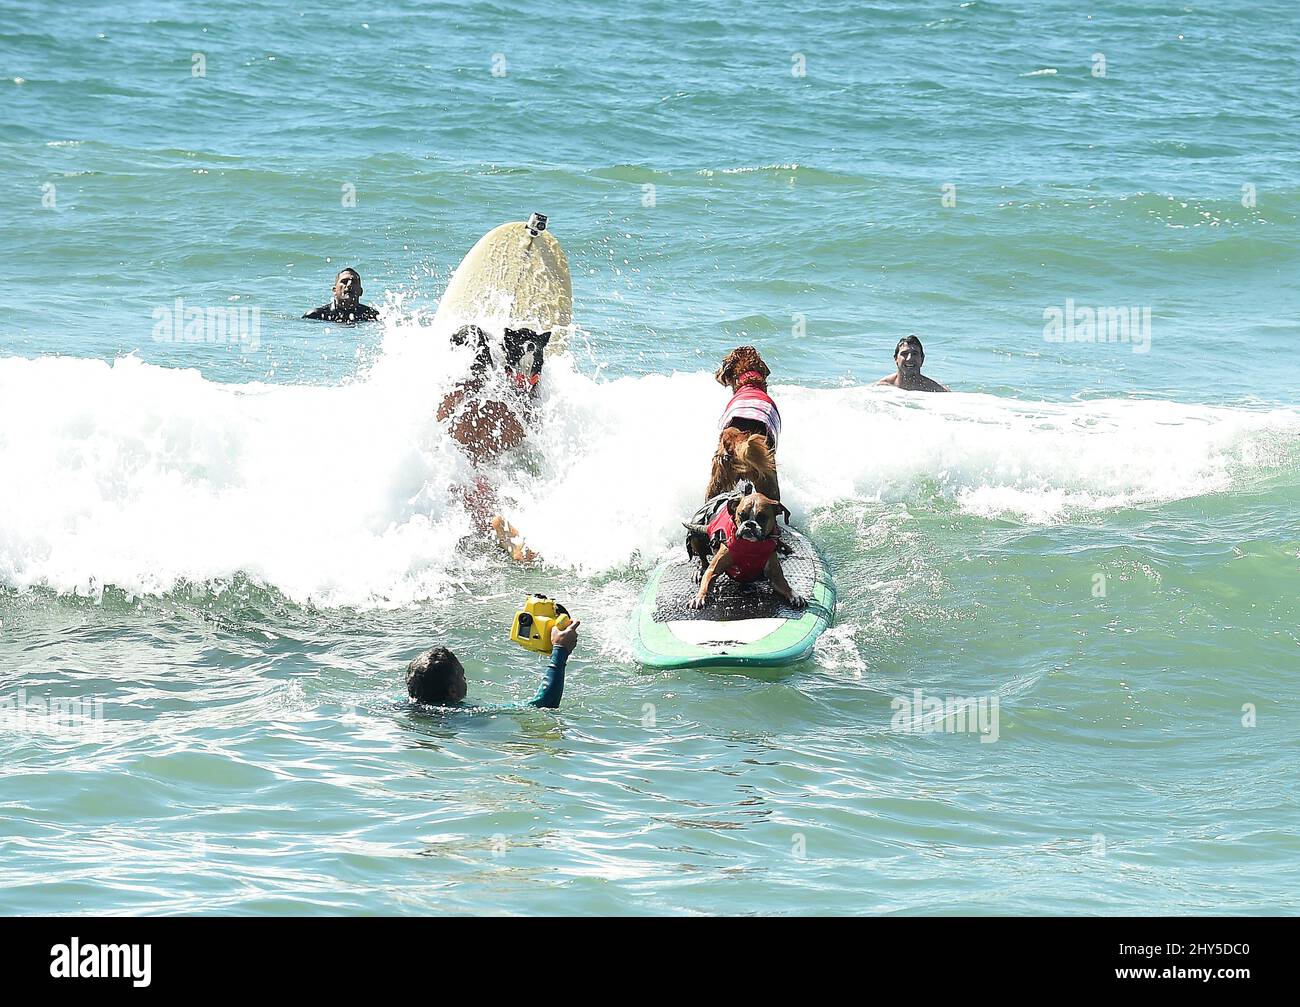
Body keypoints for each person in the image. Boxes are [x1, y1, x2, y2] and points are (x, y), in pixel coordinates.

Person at [405, 619, 580, 711]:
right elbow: (543, 705)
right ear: (452, 691)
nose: (466, 679)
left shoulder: (406, 706)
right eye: (462, 676)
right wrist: (560, 650)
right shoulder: (457, 714)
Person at [303, 267, 380, 323]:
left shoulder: (372, 316)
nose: (349, 285)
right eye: (344, 281)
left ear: (361, 292)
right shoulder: (316, 316)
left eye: (353, 282)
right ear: (334, 290)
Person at [878, 335, 949, 392]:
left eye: (914, 354)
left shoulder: (935, 390)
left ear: (922, 359)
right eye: (904, 354)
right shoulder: (882, 387)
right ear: (896, 359)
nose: (909, 358)